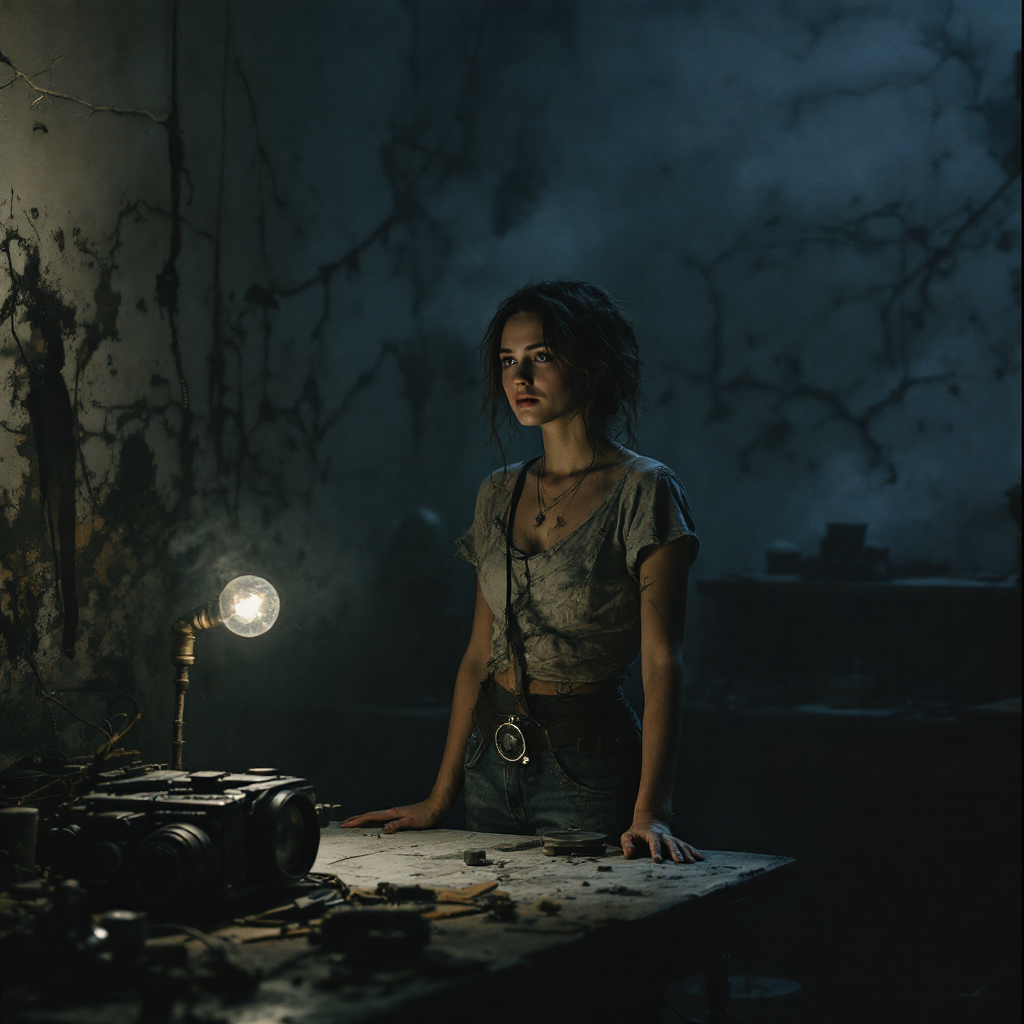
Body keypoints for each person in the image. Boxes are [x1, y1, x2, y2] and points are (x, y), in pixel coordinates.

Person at [342, 280, 704, 864]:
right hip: (491, 762)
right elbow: (478, 656)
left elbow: (664, 664)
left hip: (588, 767)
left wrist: (651, 813)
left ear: (593, 365)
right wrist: (440, 798)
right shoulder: (498, 491)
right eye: (508, 360)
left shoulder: (645, 490)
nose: (519, 377)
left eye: (540, 356)